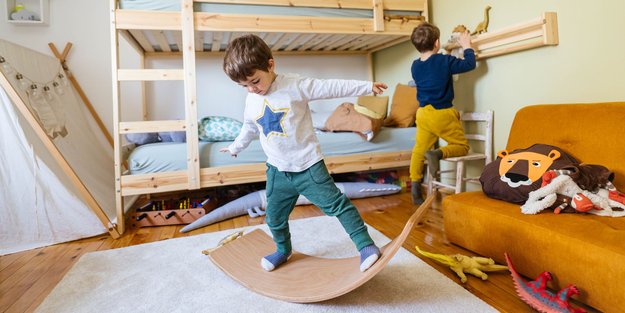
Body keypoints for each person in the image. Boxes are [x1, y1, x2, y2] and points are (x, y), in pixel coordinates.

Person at [220, 34, 388, 272]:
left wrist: (366, 86)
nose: (252, 89)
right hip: (277, 170)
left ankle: (366, 246)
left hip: (308, 167)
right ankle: (282, 249)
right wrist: (236, 146)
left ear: (270, 65)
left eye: (255, 81)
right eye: (244, 86)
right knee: (274, 217)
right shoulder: (251, 99)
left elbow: (331, 87)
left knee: (337, 205)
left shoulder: (295, 86)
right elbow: (249, 126)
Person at [409, 22, 476, 204]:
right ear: (437, 42)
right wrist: (467, 46)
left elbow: (431, 71)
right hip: (442, 113)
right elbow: (469, 64)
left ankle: (415, 185)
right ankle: (438, 154)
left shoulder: (415, 66)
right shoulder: (444, 61)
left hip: (422, 114)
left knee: (419, 150)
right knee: (461, 146)